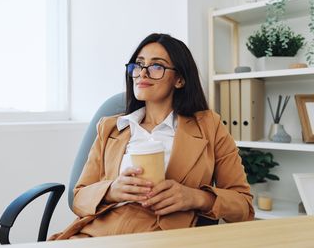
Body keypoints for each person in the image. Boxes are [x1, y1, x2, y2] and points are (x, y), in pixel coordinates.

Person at [49, 33, 254, 240]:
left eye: (157, 66)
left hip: (161, 237)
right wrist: (111, 190)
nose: (142, 73)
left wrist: (196, 198)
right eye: (138, 65)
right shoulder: (111, 127)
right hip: (97, 237)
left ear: (180, 79)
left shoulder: (209, 126)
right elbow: (78, 198)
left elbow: (243, 206)